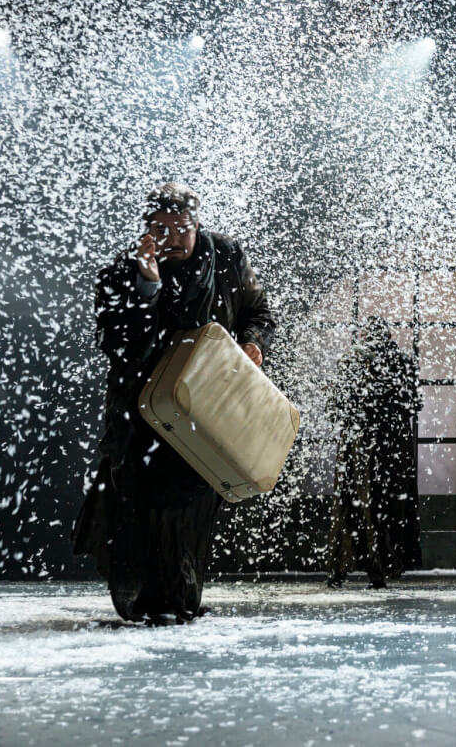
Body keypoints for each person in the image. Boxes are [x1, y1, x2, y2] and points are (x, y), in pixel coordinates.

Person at [72, 182, 276, 622]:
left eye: (183, 228)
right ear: (147, 231)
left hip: (208, 411)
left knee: (188, 510)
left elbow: (259, 312)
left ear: (196, 224)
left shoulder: (226, 257)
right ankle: (156, 603)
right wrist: (148, 287)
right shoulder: (122, 272)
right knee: (144, 508)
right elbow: (118, 346)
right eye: (162, 230)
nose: (174, 239)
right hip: (143, 416)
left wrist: (253, 343)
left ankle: (178, 600)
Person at [325, 316, 422, 588]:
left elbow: (335, 407)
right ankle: (381, 569)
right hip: (391, 444)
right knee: (386, 504)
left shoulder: (350, 360)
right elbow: (414, 403)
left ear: (364, 336)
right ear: (389, 337)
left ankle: (339, 570)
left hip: (357, 442)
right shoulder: (402, 362)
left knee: (350, 504)